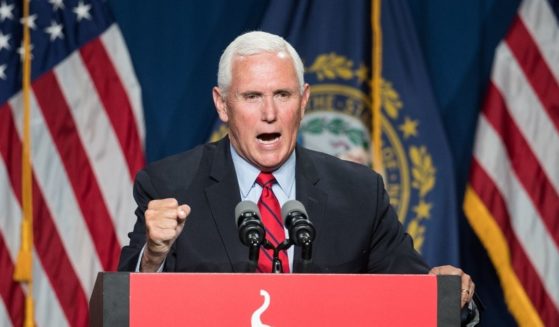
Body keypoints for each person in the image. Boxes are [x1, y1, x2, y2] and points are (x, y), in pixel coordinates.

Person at [118, 31, 478, 322]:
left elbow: (416, 297)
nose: (270, 113)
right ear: (221, 104)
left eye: (283, 94)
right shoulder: (170, 186)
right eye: (252, 96)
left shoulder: (360, 193)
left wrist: (448, 293)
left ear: (304, 101)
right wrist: (153, 256)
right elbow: (123, 310)